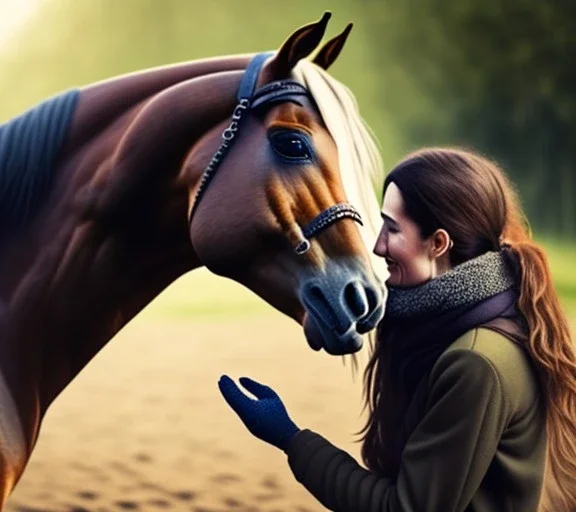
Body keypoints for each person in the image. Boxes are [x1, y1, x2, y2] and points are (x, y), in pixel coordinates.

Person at [219, 147, 576, 511]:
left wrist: (291, 438)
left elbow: (404, 508)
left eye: (392, 229)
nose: (377, 246)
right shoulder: (456, 326)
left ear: (438, 243)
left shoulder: (476, 363)